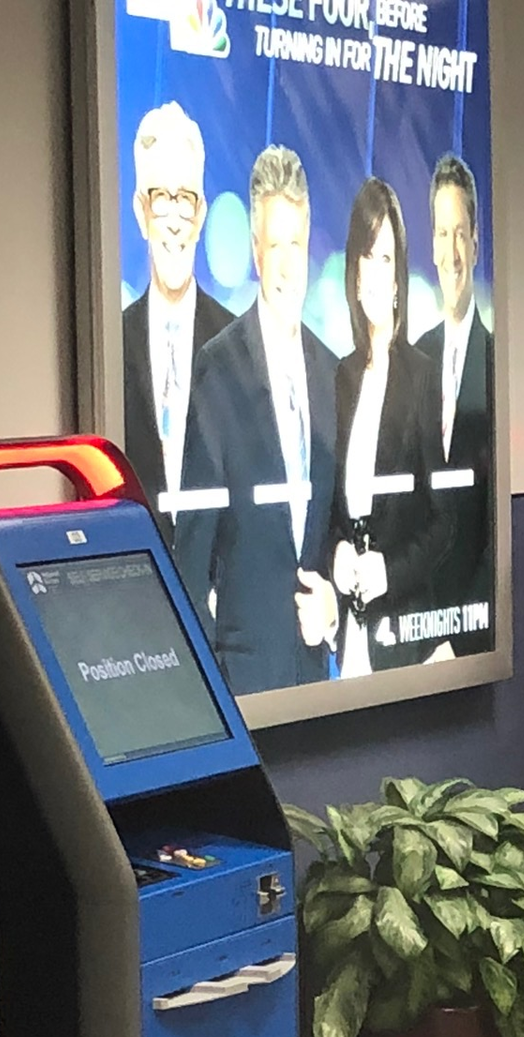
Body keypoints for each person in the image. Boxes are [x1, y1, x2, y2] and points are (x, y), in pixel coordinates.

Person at [174, 145, 340, 695]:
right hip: (242, 682)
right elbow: (194, 554)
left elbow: (337, 525)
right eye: (275, 245)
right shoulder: (217, 369)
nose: (288, 263)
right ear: (254, 250)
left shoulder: (330, 371)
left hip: (316, 677)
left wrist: (334, 605)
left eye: (297, 243)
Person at [329, 177, 448, 676]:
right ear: (352, 269)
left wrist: (389, 573)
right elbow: (332, 503)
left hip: (404, 640)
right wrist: (335, 549)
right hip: (350, 635)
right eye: (367, 257)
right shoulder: (343, 375)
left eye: (386, 259)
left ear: (399, 275)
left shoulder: (423, 375)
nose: (376, 274)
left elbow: (446, 522)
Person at [120, 102, 233, 536]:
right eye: (160, 198)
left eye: (184, 199)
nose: (172, 220)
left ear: (201, 213)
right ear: (140, 211)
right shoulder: (113, 342)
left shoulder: (236, 343)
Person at [414, 153, 495, 658]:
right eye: (442, 234)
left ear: (477, 243)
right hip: (415, 631)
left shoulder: (497, 364)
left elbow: (493, 527)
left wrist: (457, 637)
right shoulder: (416, 356)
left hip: (472, 639)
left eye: (460, 233)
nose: (451, 251)